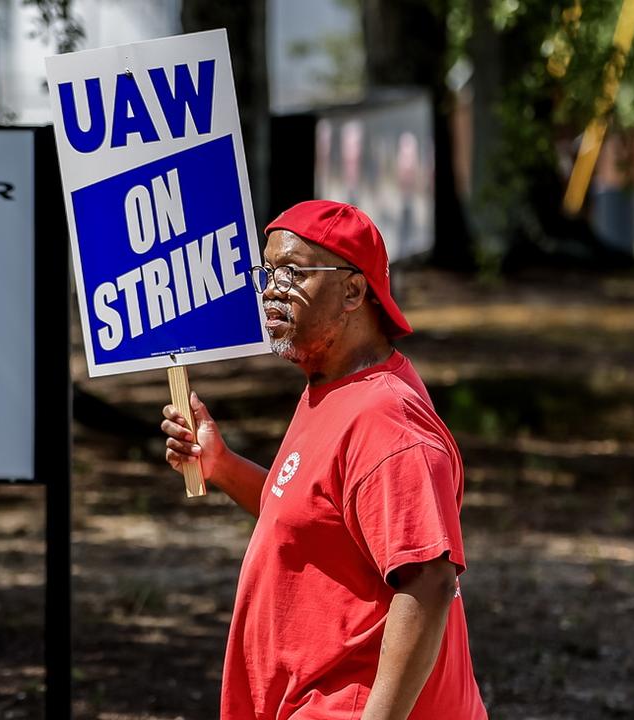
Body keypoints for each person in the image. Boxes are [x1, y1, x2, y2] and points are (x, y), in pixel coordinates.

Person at [160, 201, 487, 719]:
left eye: (292, 272)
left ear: (354, 291)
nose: (271, 288)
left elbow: (429, 581)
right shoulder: (330, 389)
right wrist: (221, 464)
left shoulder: (385, 419)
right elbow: (313, 518)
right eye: (266, 271)